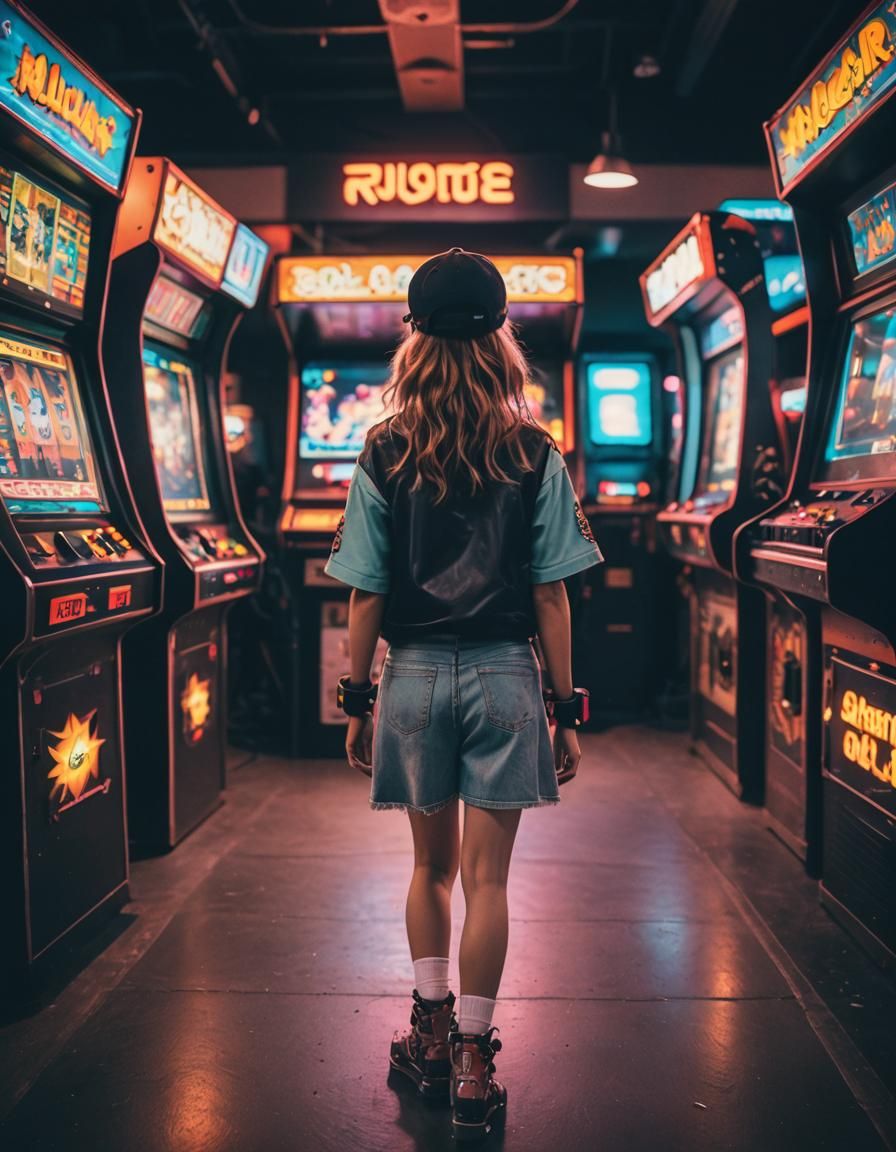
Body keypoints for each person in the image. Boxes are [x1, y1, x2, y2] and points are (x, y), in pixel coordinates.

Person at [324, 248, 603, 1142]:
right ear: (501, 337)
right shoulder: (534, 450)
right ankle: (477, 1064)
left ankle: (431, 1034)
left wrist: (357, 700)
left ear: (413, 338)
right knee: (488, 879)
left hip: (410, 675)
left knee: (429, 870)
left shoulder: (383, 447)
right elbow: (553, 594)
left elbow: (364, 591)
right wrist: (566, 708)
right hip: (506, 674)